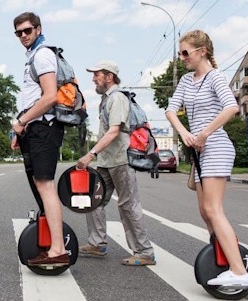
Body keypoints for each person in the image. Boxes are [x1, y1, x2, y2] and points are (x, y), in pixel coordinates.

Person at [166, 30, 248, 287]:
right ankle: (226, 253)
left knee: (214, 209)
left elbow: (232, 107)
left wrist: (203, 134)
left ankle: (239, 272)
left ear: (202, 51)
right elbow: (170, 110)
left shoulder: (215, 77)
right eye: (180, 53)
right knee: (205, 211)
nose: (182, 58)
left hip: (215, 147)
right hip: (199, 150)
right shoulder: (186, 80)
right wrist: (185, 134)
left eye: (185, 53)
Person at [76, 61, 156, 266]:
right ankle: (97, 243)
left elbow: (114, 131)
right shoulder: (107, 99)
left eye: (97, 74)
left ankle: (144, 252)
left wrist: (90, 154)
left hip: (121, 160)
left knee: (128, 205)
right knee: (93, 200)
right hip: (106, 161)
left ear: (109, 76)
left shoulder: (118, 98)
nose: (93, 78)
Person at [11, 12, 69, 267]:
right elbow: (34, 99)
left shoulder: (43, 54)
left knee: (46, 186)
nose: (23, 35)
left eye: (27, 30)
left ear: (38, 29)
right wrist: (20, 128)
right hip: (35, 128)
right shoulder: (31, 57)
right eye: (19, 32)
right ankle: (54, 243)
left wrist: (22, 121)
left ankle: (58, 249)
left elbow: (49, 97)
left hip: (45, 128)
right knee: (41, 185)